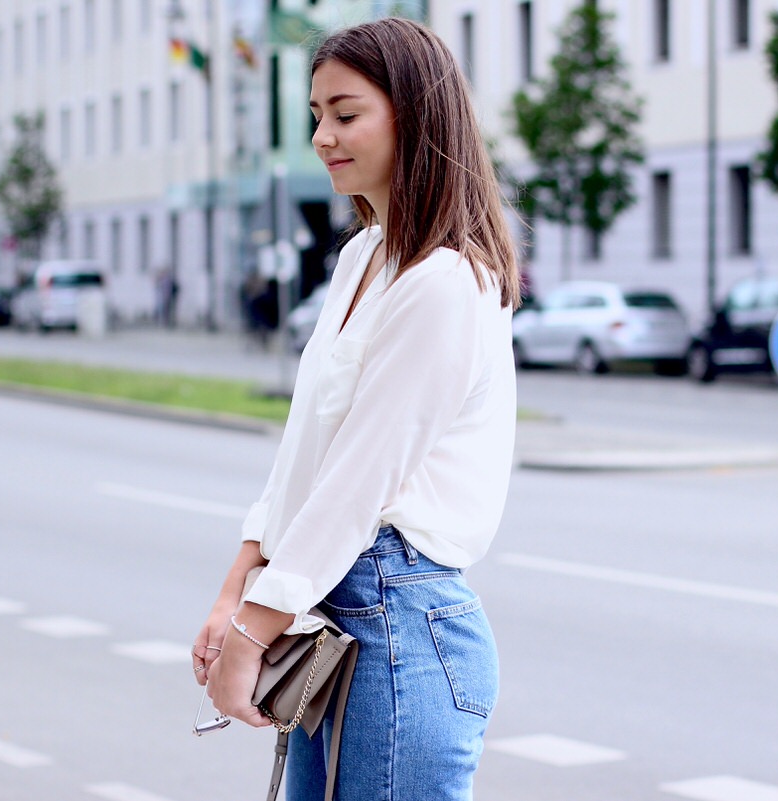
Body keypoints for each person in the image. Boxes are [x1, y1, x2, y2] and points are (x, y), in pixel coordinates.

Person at [191, 17, 521, 801]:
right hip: (340, 612)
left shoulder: (445, 282)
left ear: (415, 114)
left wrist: (253, 629)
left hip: (399, 623)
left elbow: (360, 480)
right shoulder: (362, 258)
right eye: (316, 116)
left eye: (345, 113)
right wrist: (237, 586)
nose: (322, 137)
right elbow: (306, 453)